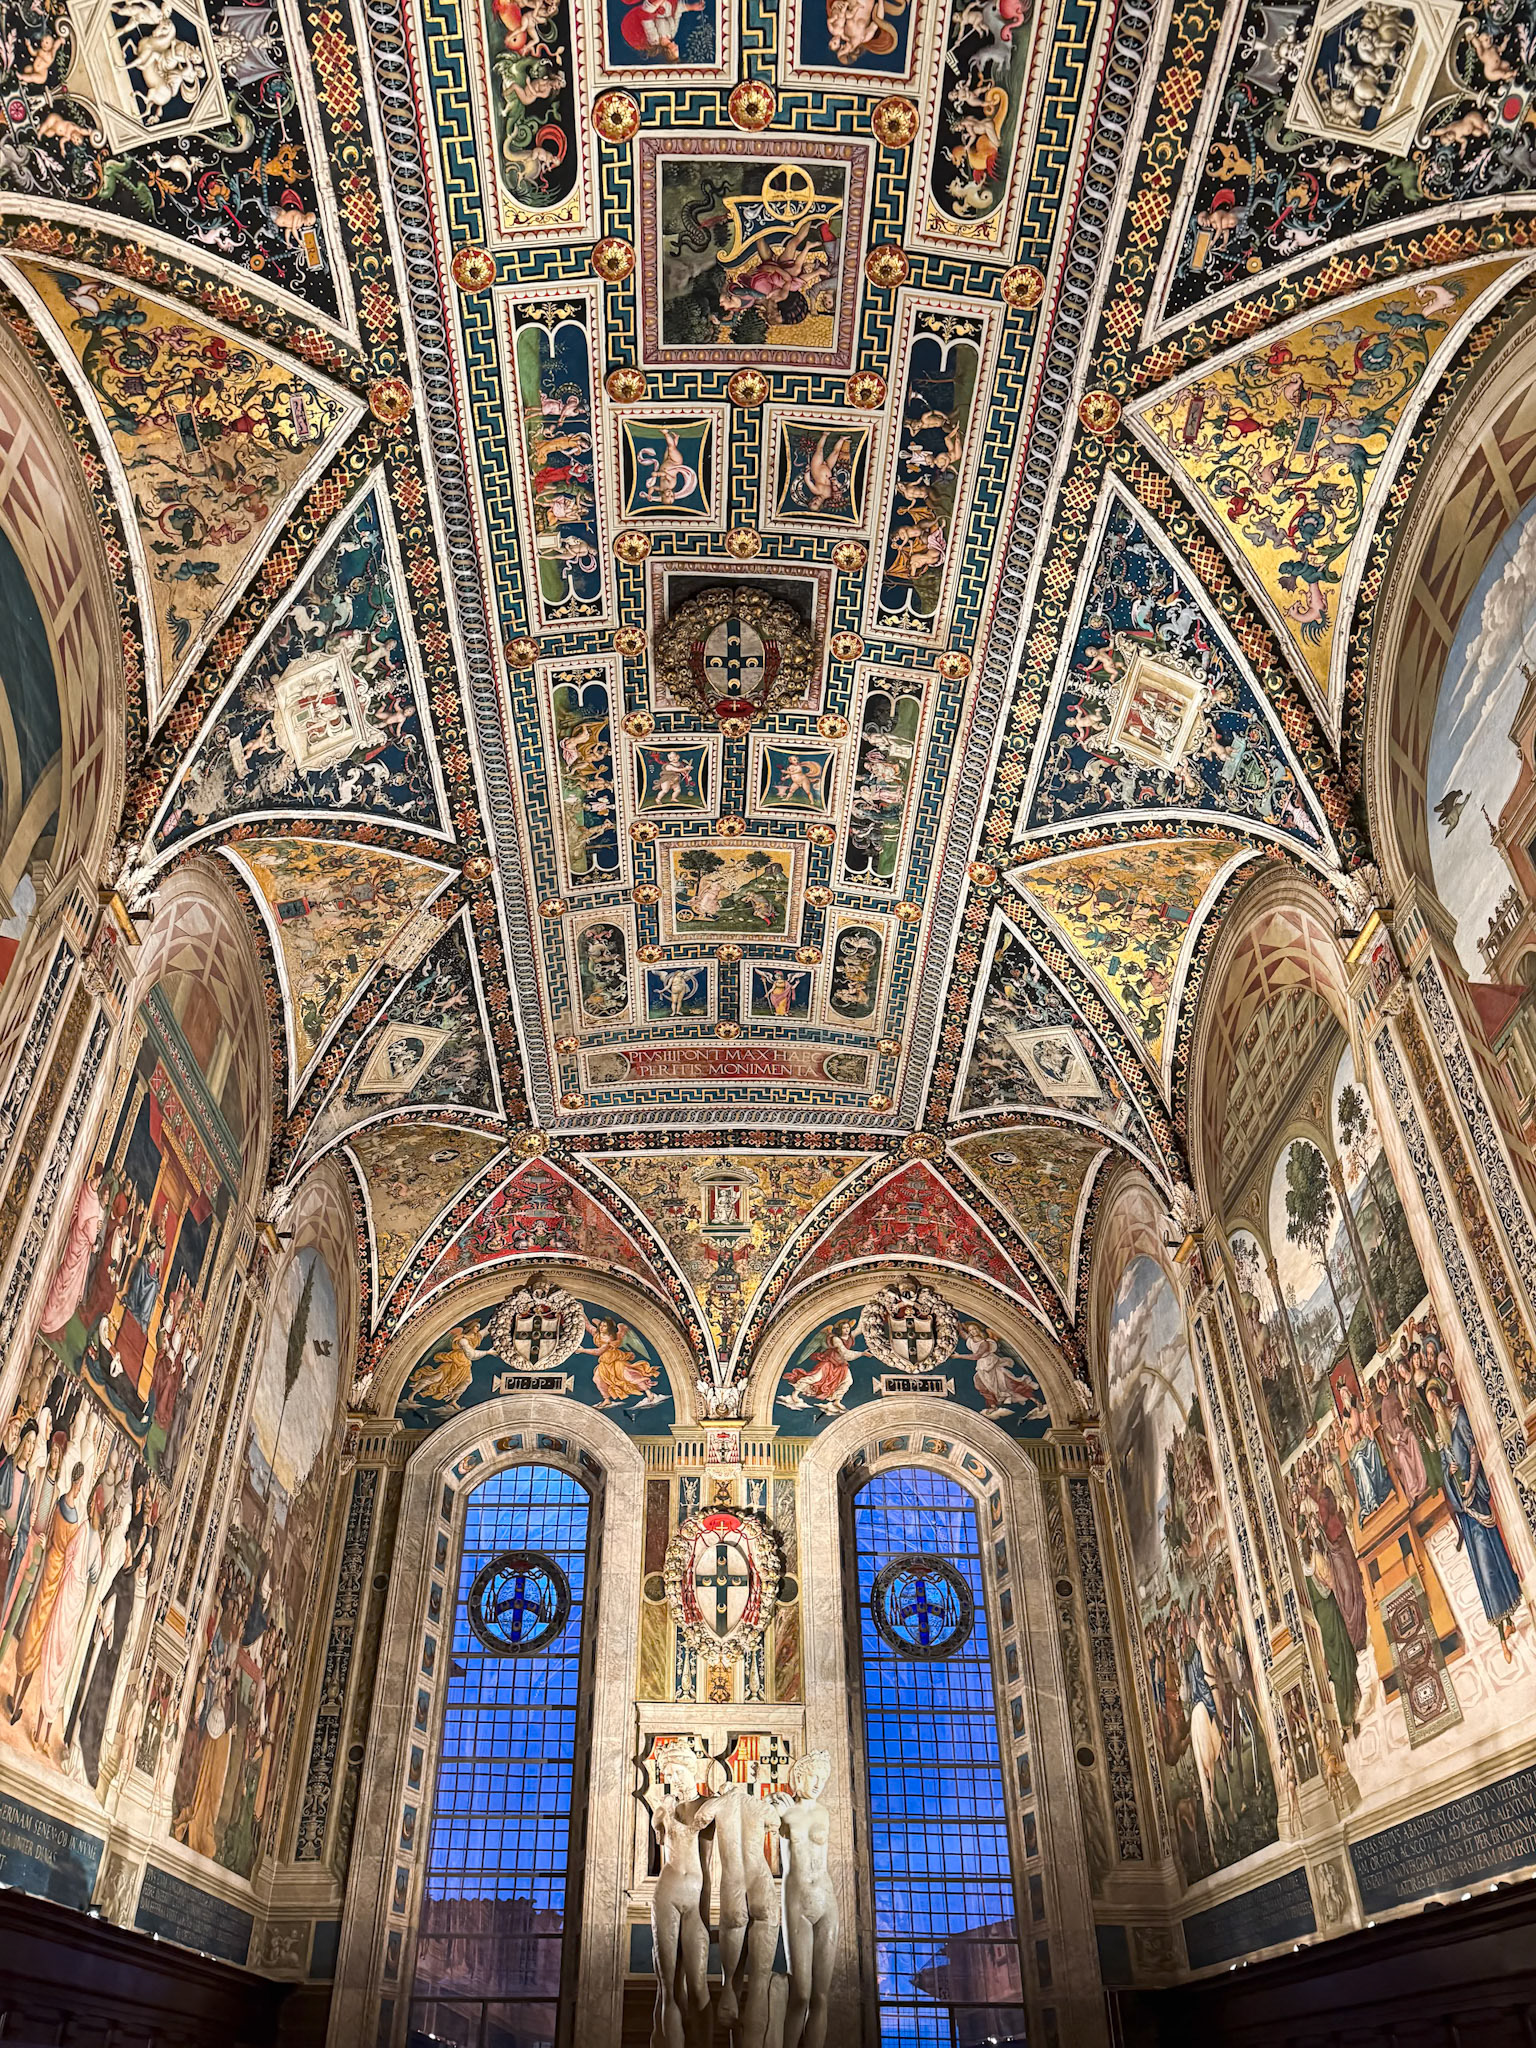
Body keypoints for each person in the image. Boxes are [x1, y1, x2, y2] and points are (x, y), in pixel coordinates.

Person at [1429, 1380, 1522, 1660]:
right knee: (1483, 1569)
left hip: (1475, 1496)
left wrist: (1469, 1481)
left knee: (1493, 1561)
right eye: (1430, 1405)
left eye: (1435, 1401)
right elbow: (1445, 1470)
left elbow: (1472, 1450)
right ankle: (1501, 1632)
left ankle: (1506, 1625)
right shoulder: (1440, 1435)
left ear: (1441, 1399)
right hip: (1465, 1509)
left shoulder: (1458, 1416)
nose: (1434, 1407)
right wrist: (1451, 1474)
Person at [775, 1750, 838, 2048]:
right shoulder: (784, 1810)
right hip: (797, 1900)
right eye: (814, 1776)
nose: (818, 1784)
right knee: (800, 1993)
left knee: (821, 1995)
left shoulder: (823, 1812)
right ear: (799, 1776)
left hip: (826, 1901)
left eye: (823, 1778)